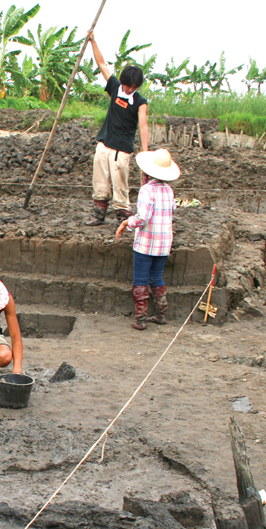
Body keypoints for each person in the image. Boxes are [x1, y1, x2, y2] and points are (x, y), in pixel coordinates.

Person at [85, 30, 150, 227]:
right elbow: (101, 64)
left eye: (133, 87)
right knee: (100, 181)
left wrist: (145, 151)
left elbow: (144, 125)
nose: (129, 89)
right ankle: (99, 215)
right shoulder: (114, 87)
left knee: (120, 184)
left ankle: (123, 218)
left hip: (122, 148)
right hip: (105, 143)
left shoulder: (140, 102)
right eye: (127, 86)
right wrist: (92, 42)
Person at [115, 149, 181, 330]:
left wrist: (128, 222)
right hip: (164, 242)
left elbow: (143, 218)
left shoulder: (147, 190)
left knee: (141, 279)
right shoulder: (168, 190)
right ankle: (161, 313)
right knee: (156, 278)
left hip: (146, 243)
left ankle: (141, 319)